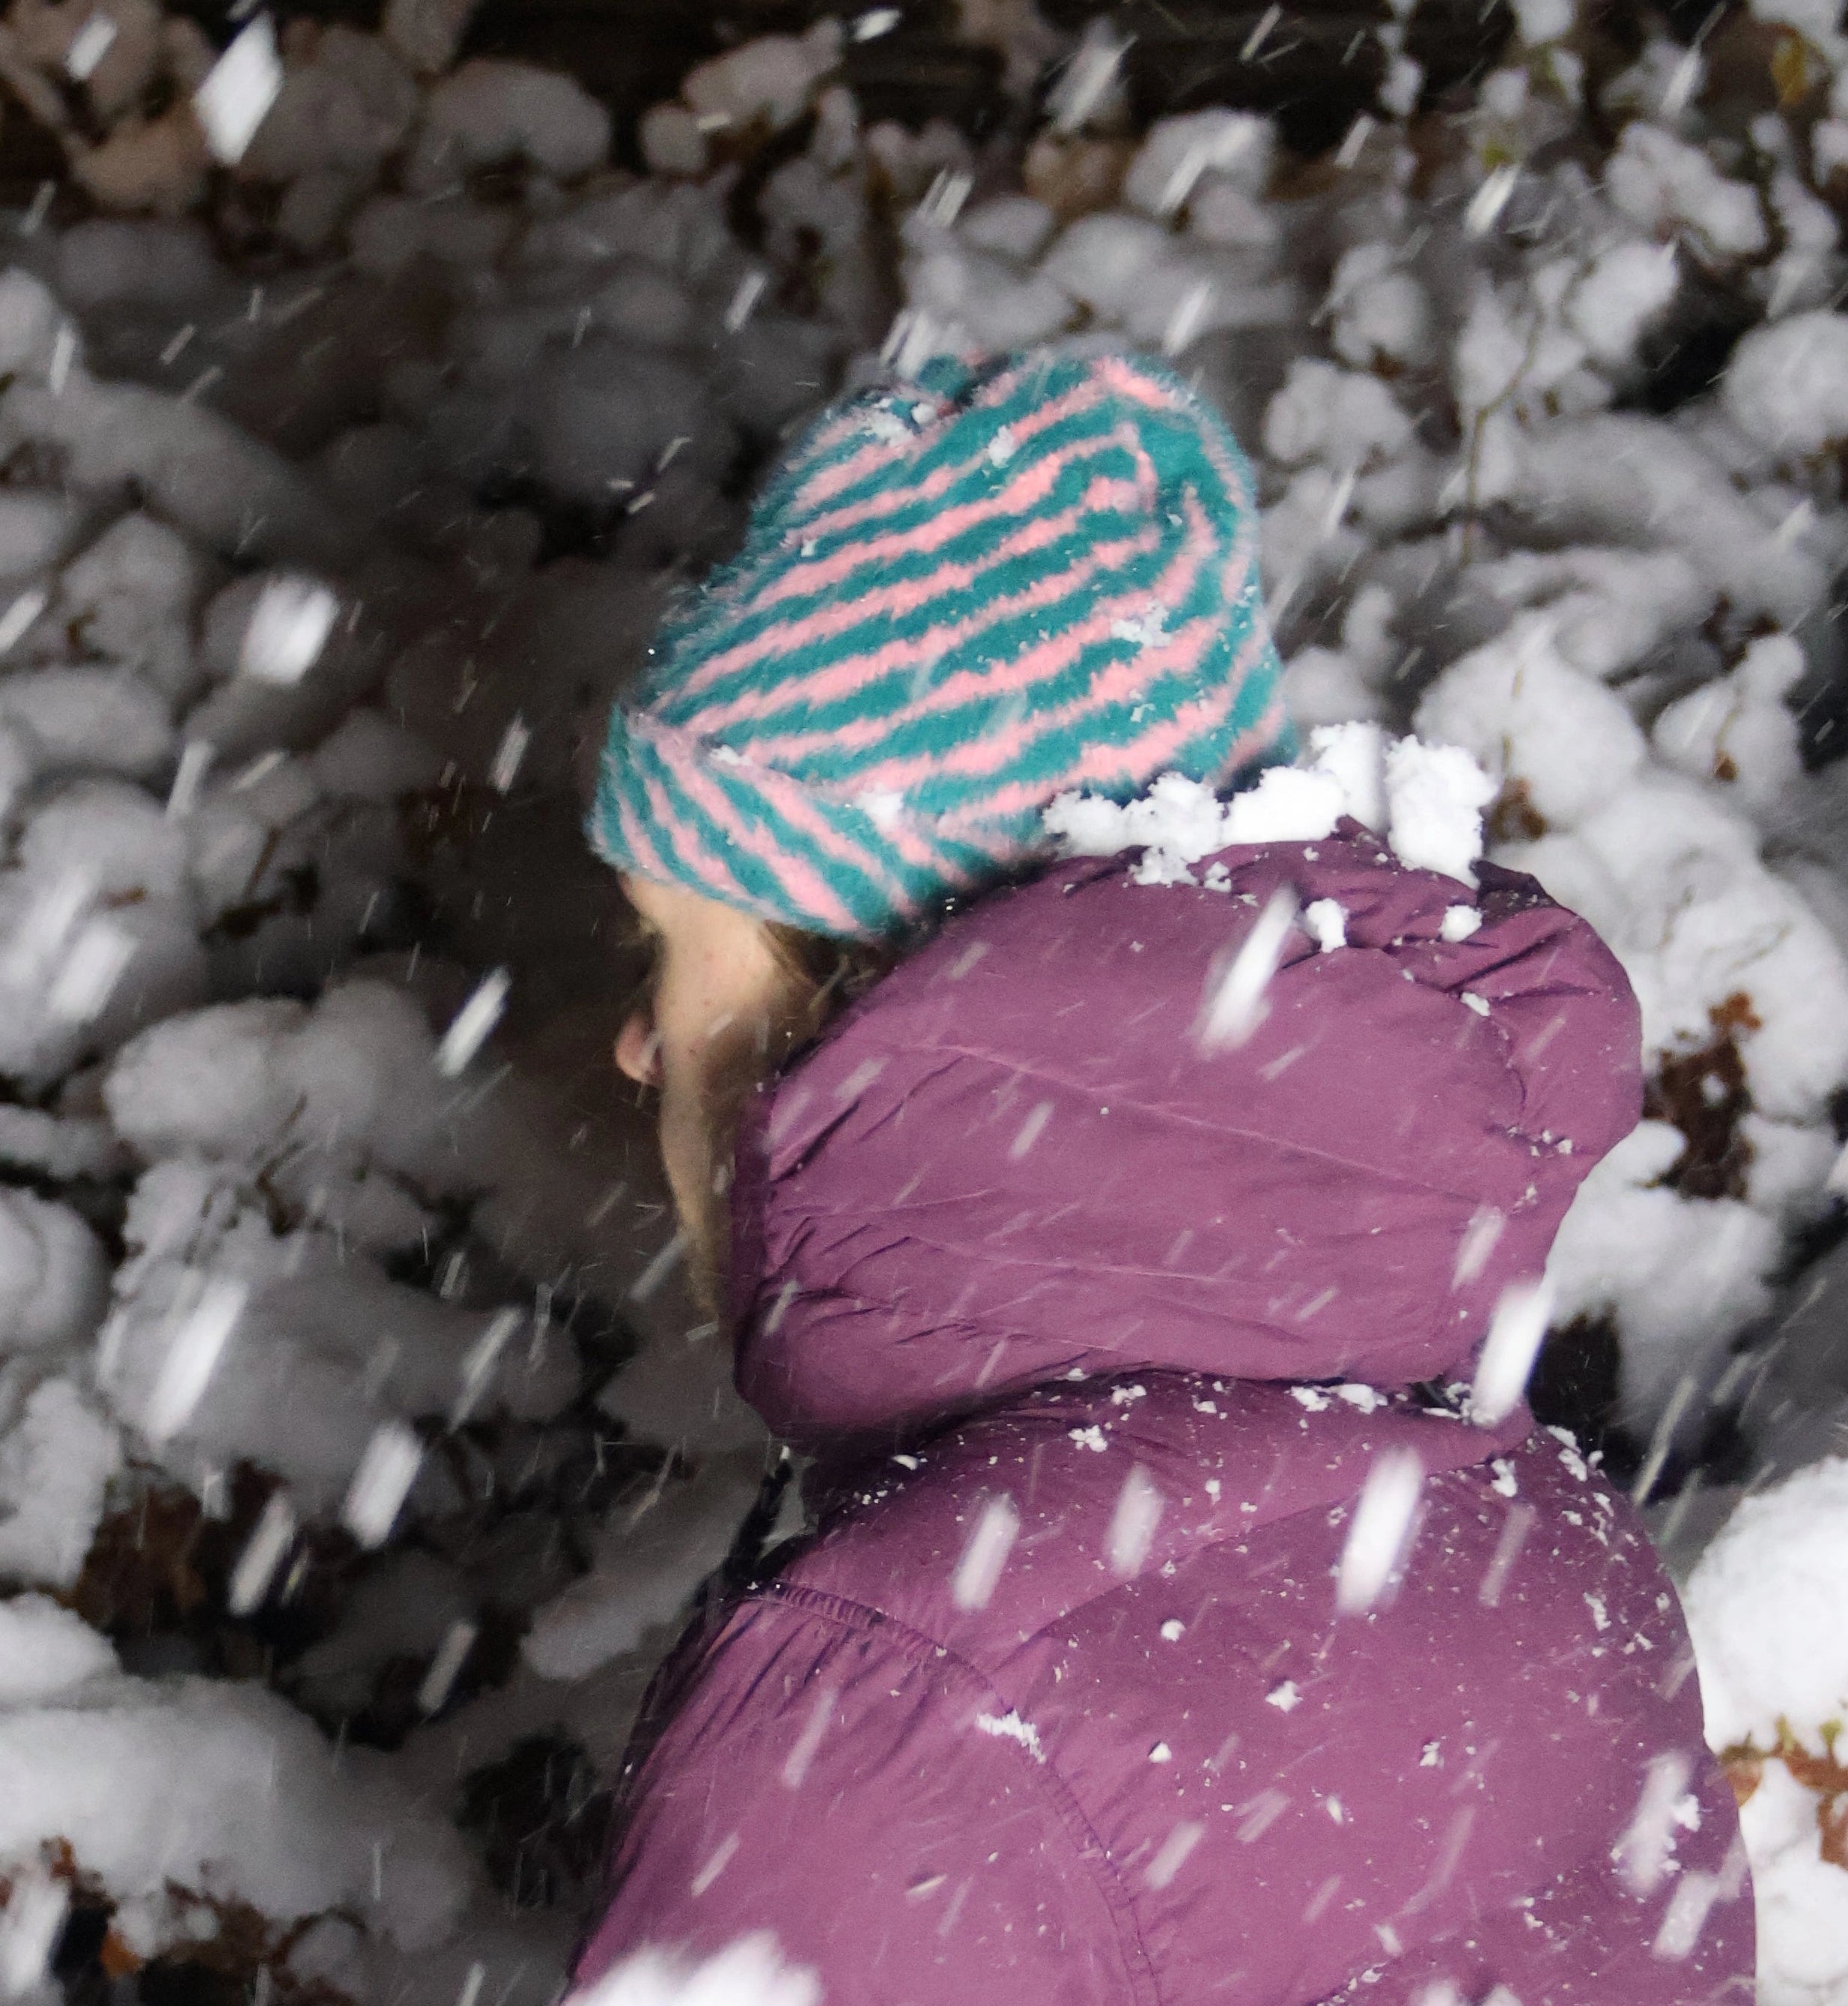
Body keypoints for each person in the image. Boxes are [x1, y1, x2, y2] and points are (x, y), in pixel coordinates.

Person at [571, 347, 1752, 2006]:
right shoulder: (1536, 1536)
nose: (637, 1044)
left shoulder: (901, 1728)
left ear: (844, 1002)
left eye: (671, 946)